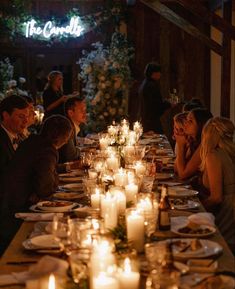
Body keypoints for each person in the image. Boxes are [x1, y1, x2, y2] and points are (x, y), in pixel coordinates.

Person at [0, 115, 73, 252]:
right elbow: (45, 188)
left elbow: (41, 171)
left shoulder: (32, 141)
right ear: (65, 138)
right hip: (16, 209)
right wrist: (54, 181)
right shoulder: (48, 150)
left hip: (8, 200)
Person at [200, 117, 235, 253]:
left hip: (228, 212)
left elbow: (216, 198)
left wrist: (198, 209)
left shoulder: (213, 155)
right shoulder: (230, 152)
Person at [174, 108, 213, 179]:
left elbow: (183, 174)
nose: (186, 123)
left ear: (201, 125)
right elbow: (176, 169)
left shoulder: (204, 145)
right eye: (187, 120)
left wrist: (180, 145)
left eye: (190, 121)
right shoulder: (192, 142)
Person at [138, 62, 171, 133]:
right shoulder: (152, 86)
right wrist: (169, 104)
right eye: (159, 72)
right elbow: (156, 107)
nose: (160, 74)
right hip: (152, 122)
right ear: (154, 73)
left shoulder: (144, 83)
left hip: (145, 119)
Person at [0, 95, 29, 175]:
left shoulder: (22, 138)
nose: (26, 121)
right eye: (21, 116)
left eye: (27, 117)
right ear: (6, 115)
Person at [58, 96, 87, 164]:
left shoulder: (71, 125)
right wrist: (86, 151)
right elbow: (71, 155)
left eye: (85, 110)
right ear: (70, 113)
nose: (85, 113)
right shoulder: (67, 128)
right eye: (81, 110)